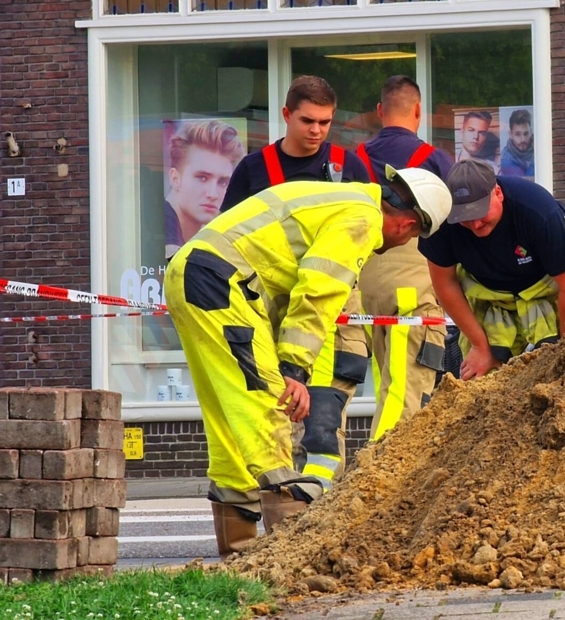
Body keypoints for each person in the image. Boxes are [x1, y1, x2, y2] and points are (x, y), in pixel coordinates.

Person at [165, 169, 451, 559]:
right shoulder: (362, 219)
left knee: (228, 416)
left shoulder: (342, 200)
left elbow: (284, 286)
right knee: (267, 405)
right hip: (222, 283)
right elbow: (318, 292)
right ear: (409, 224)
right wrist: (293, 370)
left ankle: (237, 552)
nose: (405, 242)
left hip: (193, 274)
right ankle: (290, 556)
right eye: (412, 237)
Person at [220, 75, 372, 494]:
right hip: (273, 305)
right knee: (277, 406)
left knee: (326, 415)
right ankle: (284, 504)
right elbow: (227, 236)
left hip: (335, 305)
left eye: (325, 122)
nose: (317, 131)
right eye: (308, 121)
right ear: (286, 115)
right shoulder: (254, 170)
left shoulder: (348, 168)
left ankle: (320, 501)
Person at [420, 158, 565, 380]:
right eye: (465, 219)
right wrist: (480, 346)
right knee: (483, 379)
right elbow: (445, 284)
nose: (475, 225)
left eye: (479, 213)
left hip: (556, 282)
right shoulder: (443, 222)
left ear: (498, 193)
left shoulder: (537, 211)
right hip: (493, 294)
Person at [352, 76, 454, 441]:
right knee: (406, 389)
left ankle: (375, 459)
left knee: (386, 382)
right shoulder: (434, 160)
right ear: (419, 110)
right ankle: (383, 464)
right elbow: (455, 225)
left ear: (380, 111)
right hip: (413, 287)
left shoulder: (354, 159)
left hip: (365, 285)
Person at [165, 120, 246, 258]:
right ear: (175, 179)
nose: (212, 194)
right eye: (202, 178)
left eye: (223, 182)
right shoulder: (160, 232)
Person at [499, 109, 535, 177]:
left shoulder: (539, 145)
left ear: (531, 132)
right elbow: (523, 182)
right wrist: (537, 157)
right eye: (517, 134)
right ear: (510, 134)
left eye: (526, 133)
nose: (523, 139)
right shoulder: (506, 159)